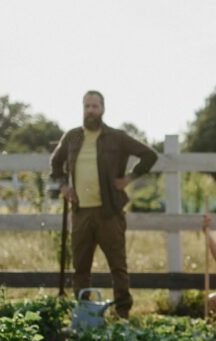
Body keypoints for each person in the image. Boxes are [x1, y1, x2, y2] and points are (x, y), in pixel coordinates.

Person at [49, 90, 157, 319]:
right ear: (82, 108)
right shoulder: (72, 137)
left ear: (103, 109)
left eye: (94, 106)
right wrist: (63, 187)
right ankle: (84, 314)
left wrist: (129, 178)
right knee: (80, 267)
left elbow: (149, 155)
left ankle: (123, 314)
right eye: (86, 106)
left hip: (110, 212)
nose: (90, 111)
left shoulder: (117, 137)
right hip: (81, 213)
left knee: (118, 266)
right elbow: (55, 163)